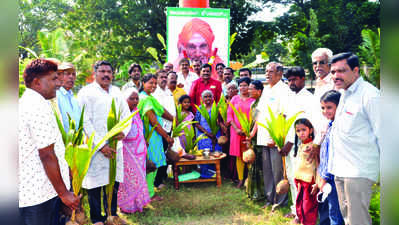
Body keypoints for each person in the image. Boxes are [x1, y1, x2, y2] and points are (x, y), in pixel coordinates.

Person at [19, 59, 80, 225]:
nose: (58, 83)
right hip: (38, 195)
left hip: (37, 191)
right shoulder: (36, 106)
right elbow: (46, 154)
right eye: (54, 79)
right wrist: (64, 194)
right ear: (37, 82)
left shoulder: (32, 102)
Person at [329, 52, 380, 225]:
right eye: (333, 72)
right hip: (340, 168)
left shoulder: (370, 95)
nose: (336, 76)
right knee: (348, 219)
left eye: (341, 71)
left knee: (358, 220)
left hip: (358, 171)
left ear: (356, 71)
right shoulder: (344, 93)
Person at [77, 60, 130, 225]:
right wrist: (101, 146)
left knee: (113, 181)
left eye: (109, 71)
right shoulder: (86, 92)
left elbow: (126, 115)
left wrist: (123, 132)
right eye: (102, 71)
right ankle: (96, 219)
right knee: (95, 184)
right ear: (95, 73)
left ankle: (112, 215)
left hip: (115, 146)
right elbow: (85, 122)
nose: (106, 74)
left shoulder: (116, 92)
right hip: (96, 147)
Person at [280, 66, 320, 218]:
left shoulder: (309, 98)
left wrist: (290, 143)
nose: (291, 83)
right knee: (292, 176)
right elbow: (287, 121)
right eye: (289, 80)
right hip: (289, 143)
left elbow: (307, 124)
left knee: (302, 179)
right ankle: (295, 210)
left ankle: (302, 214)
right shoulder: (291, 97)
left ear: (303, 79)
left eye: (294, 79)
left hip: (301, 145)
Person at [256, 62, 290, 209]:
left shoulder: (284, 90)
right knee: (268, 170)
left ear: (280, 74)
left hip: (275, 139)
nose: (267, 74)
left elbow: (284, 116)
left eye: (271, 72)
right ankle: (270, 199)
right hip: (263, 137)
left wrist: (276, 137)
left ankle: (280, 201)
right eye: (266, 71)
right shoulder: (266, 89)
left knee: (278, 171)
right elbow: (259, 112)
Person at [137, 73, 174, 201]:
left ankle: (148, 192)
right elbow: (154, 122)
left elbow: (162, 110)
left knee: (151, 164)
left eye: (154, 83)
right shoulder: (145, 99)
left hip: (152, 136)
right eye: (150, 83)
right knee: (151, 164)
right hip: (150, 136)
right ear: (143, 83)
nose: (153, 85)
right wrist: (167, 137)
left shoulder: (148, 97)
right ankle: (149, 194)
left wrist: (174, 120)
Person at [117, 88, 150, 213]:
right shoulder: (121, 114)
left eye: (137, 98)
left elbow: (139, 131)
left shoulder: (136, 112)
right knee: (127, 180)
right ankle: (127, 206)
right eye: (132, 98)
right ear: (125, 99)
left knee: (140, 179)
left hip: (139, 154)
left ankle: (138, 203)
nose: (135, 101)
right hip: (126, 153)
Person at [315, 90, 344, 225]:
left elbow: (333, 155)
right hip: (327, 176)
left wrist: (324, 176)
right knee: (332, 210)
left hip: (333, 176)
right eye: (323, 108)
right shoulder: (330, 124)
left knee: (336, 212)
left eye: (329, 107)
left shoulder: (340, 127)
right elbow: (325, 154)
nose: (325, 111)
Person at [227, 77, 255, 188]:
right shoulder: (234, 99)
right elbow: (230, 115)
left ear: (249, 86)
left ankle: (250, 180)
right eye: (241, 85)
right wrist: (236, 129)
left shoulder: (253, 100)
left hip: (249, 132)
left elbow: (255, 117)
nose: (243, 88)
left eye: (245, 85)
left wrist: (249, 131)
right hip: (236, 132)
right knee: (239, 156)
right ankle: (240, 179)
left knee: (249, 155)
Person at [152, 69, 177, 189]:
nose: (163, 79)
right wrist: (172, 119)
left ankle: (163, 177)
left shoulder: (169, 92)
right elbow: (159, 110)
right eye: (161, 77)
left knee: (166, 151)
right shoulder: (154, 93)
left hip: (170, 127)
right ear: (156, 79)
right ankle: (157, 181)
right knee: (159, 152)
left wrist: (174, 122)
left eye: (165, 77)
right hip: (159, 128)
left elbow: (173, 108)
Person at [293, 118, 318, 225]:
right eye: (298, 131)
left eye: (304, 130)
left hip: (309, 181)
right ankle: (302, 221)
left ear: (311, 130)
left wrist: (317, 182)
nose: (301, 133)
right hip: (300, 180)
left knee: (308, 207)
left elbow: (317, 164)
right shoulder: (301, 145)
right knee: (300, 204)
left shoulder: (313, 146)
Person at [194, 90, 223, 178]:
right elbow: (196, 123)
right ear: (202, 99)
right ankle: (205, 174)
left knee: (215, 153)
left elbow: (220, 121)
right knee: (205, 154)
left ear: (213, 98)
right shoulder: (200, 109)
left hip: (215, 135)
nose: (208, 98)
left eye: (209, 96)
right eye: (205, 97)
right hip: (204, 135)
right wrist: (208, 134)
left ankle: (215, 173)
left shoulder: (216, 108)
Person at [246, 80, 265, 201]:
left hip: (259, 137)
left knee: (259, 165)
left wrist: (252, 133)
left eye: (251, 89)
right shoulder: (254, 103)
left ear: (259, 91)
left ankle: (260, 193)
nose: (248, 91)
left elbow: (259, 119)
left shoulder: (261, 103)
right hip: (254, 139)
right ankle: (253, 191)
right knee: (254, 164)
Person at [56, 62, 81, 132]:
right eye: (67, 74)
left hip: (75, 141)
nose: (71, 77)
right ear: (58, 76)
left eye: (73, 74)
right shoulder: (55, 95)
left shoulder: (74, 99)